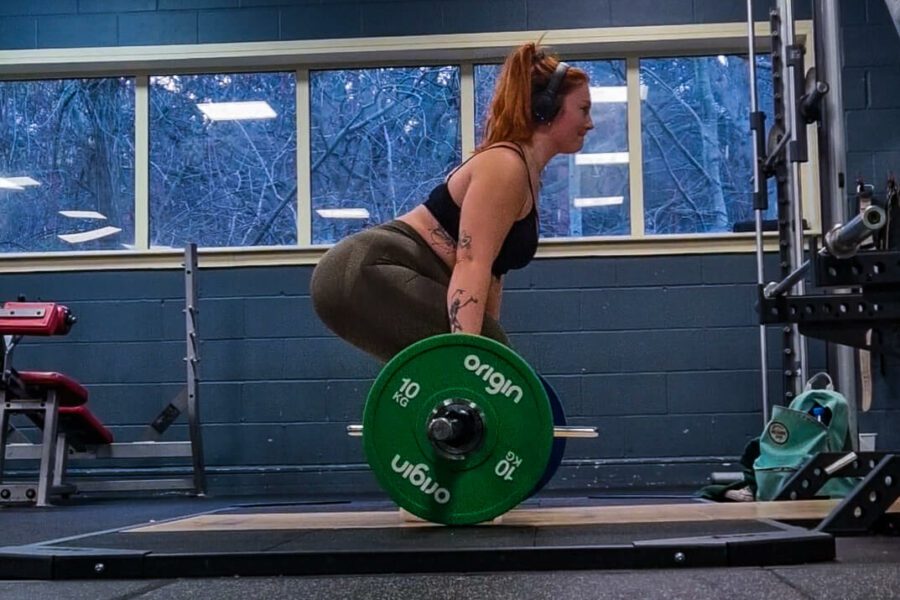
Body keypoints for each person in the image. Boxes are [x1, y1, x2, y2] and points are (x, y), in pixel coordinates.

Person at [311, 42, 593, 363]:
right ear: (546, 108)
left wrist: (483, 352)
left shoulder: (526, 173)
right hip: (363, 271)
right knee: (486, 362)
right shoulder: (505, 166)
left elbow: (491, 275)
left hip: (374, 275)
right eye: (583, 109)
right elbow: (471, 264)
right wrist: (471, 362)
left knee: (492, 361)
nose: (590, 122)